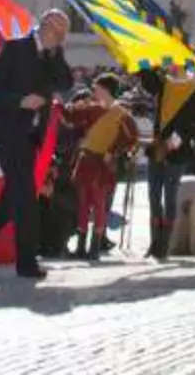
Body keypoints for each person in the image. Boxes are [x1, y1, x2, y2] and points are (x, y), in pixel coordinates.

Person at [0, 9, 74, 279]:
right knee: (24, 196)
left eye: (64, 33)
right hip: (5, 128)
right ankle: (26, 262)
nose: (61, 37)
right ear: (45, 26)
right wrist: (20, 100)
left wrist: (57, 53)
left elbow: (66, 82)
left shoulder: (53, 55)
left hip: (30, 133)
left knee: (15, 197)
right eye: (58, 31)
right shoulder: (15, 47)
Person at [136, 64, 195, 260]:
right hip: (157, 148)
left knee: (170, 197)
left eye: (176, 63)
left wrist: (177, 140)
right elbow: (148, 80)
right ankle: (154, 243)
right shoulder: (164, 84)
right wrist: (145, 62)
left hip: (178, 150)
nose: (172, 67)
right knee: (153, 195)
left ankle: (164, 245)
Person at [66, 73, 138, 260]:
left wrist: (113, 151)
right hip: (86, 160)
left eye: (97, 88)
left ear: (105, 90)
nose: (94, 91)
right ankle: (81, 248)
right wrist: (63, 106)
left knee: (99, 205)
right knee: (83, 205)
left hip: (103, 164)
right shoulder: (91, 108)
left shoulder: (121, 113)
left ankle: (94, 248)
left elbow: (132, 137)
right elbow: (71, 118)